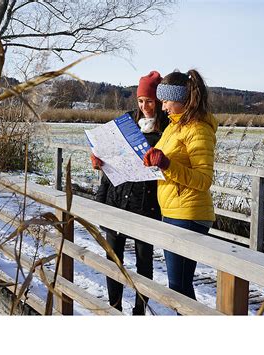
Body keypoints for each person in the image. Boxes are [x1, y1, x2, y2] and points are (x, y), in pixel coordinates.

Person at [90, 71, 168, 315]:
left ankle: (139, 311)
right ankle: (114, 308)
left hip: (147, 205)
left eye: (150, 101)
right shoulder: (125, 123)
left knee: (144, 262)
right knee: (113, 258)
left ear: (158, 101)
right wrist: (99, 159)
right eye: (141, 101)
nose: (144, 106)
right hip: (116, 199)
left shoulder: (168, 131)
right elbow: (111, 157)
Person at [143, 69, 217, 301]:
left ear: (181, 99)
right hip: (173, 211)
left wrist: (165, 164)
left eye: (166, 101)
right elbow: (166, 164)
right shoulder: (174, 128)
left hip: (189, 214)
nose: (163, 107)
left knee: (179, 287)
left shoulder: (198, 130)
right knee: (178, 286)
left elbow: (203, 180)